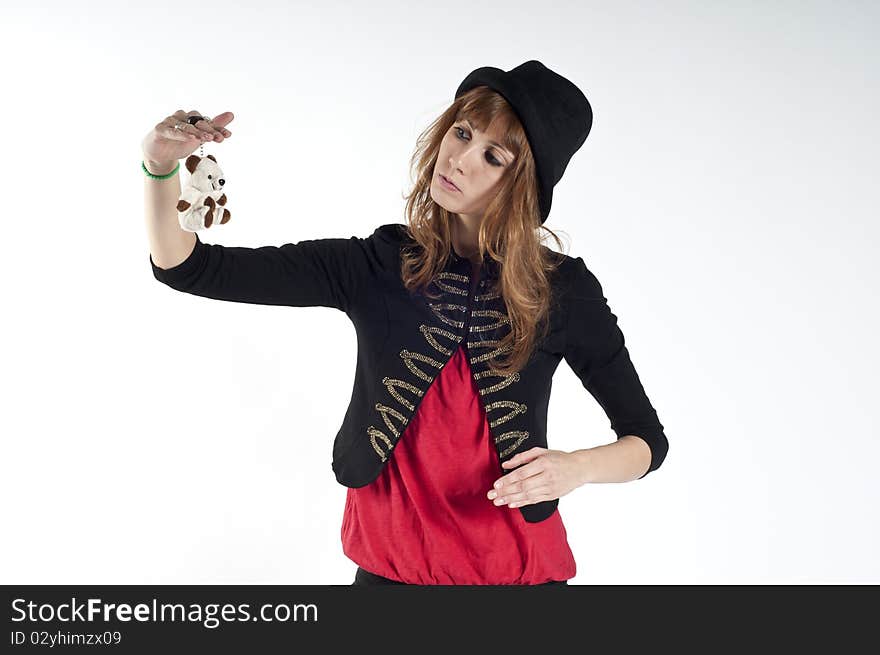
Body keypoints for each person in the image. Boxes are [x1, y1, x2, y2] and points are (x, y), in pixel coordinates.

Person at [141, 60, 669, 586]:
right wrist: (160, 165)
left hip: (518, 578)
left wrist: (575, 468)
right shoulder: (379, 265)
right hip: (387, 577)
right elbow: (187, 267)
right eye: (461, 133)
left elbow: (645, 441)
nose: (459, 159)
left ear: (523, 186)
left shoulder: (561, 290)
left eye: (492, 156)